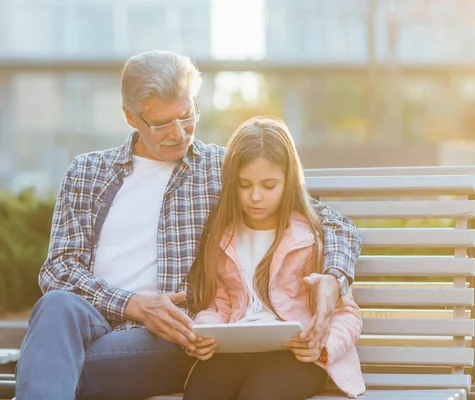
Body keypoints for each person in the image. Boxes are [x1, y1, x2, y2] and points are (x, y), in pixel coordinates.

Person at [14, 50, 361, 400]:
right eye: (163, 123)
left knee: (47, 364)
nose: (179, 133)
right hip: (91, 320)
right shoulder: (87, 172)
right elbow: (58, 270)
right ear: (130, 117)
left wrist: (335, 276)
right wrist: (132, 304)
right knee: (56, 305)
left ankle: (43, 373)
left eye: (187, 115)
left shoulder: (219, 168)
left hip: (173, 336)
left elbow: (330, 221)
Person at [183, 116, 365, 400]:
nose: (255, 197)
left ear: (288, 181)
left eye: (269, 186)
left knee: (259, 394)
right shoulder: (222, 239)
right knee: (202, 391)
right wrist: (203, 331)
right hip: (238, 352)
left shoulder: (311, 238)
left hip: (297, 357)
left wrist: (323, 345)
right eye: (245, 185)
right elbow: (219, 305)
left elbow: (346, 313)